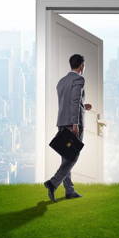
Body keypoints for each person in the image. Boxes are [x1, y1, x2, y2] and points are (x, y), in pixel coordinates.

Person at [44, 54, 92, 202]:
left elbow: (70, 102)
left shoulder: (61, 82)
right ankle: (53, 183)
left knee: (66, 156)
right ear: (81, 66)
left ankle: (69, 190)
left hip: (62, 122)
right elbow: (75, 100)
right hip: (73, 123)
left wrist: (84, 106)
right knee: (73, 156)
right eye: (83, 65)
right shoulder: (79, 79)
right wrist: (75, 123)